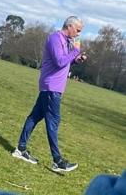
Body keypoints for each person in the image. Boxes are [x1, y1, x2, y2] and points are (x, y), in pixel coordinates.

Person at [11, 16, 87, 172]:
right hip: (51, 87)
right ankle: (57, 161)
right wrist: (76, 51)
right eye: (78, 30)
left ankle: (20, 149)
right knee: (53, 121)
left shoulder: (65, 41)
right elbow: (59, 62)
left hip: (53, 87)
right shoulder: (55, 38)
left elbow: (63, 62)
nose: (78, 34)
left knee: (34, 117)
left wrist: (75, 60)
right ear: (70, 26)